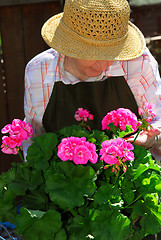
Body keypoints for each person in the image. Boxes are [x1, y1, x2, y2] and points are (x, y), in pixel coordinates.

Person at [22, 0, 161, 161]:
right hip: (67, 182)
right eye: (93, 55)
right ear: (69, 45)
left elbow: (159, 120)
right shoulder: (39, 71)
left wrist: (153, 139)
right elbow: (34, 138)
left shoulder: (139, 63)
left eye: (112, 54)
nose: (104, 64)